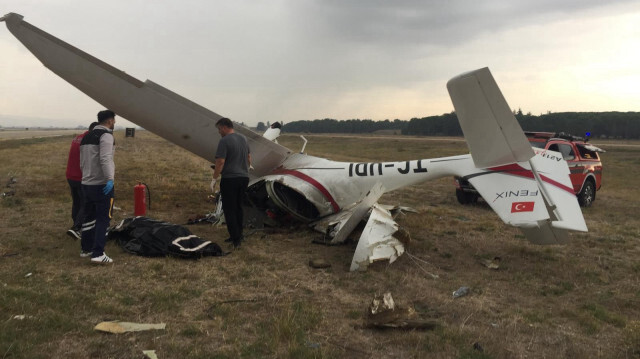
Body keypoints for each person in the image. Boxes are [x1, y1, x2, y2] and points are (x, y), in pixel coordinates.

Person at [79, 110, 116, 264]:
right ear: (109, 121)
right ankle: (98, 253)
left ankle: (86, 249)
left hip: (86, 183)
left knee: (88, 217)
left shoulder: (86, 136)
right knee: (103, 219)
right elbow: (106, 158)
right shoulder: (106, 136)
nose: (114, 122)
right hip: (101, 184)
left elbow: (82, 161)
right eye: (114, 120)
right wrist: (110, 179)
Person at [211, 117, 251, 248]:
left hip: (230, 179)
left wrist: (214, 179)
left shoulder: (224, 141)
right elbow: (249, 158)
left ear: (223, 127)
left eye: (218, 129)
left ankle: (235, 240)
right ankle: (239, 235)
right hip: (244, 178)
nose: (218, 132)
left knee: (229, 209)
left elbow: (220, 161)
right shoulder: (243, 138)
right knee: (239, 207)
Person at [65, 122, 98, 240]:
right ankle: (76, 228)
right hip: (81, 177)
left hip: (70, 175)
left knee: (77, 202)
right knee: (85, 203)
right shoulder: (89, 140)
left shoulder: (77, 138)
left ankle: (75, 224)